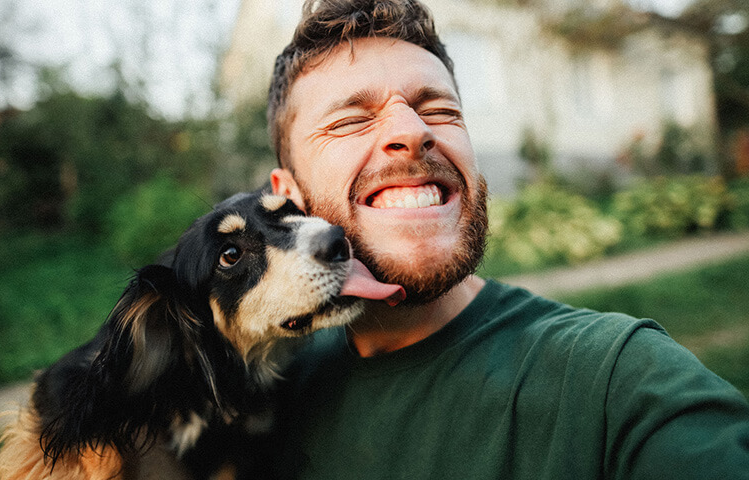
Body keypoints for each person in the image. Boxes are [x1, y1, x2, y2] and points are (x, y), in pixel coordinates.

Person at [265, 0, 749, 478]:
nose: (413, 131)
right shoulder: (265, 393)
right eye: (351, 120)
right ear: (287, 198)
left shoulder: (617, 382)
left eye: (440, 110)